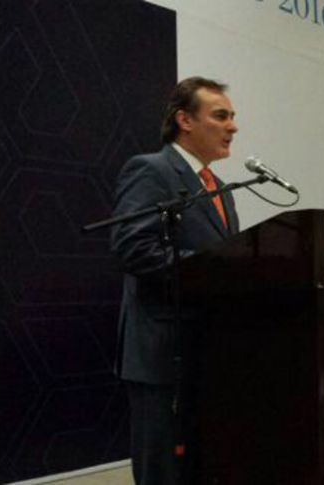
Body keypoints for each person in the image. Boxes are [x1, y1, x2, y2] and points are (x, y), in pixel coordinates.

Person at [110, 76, 240, 485]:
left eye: (232, 117)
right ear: (185, 120)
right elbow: (133, 248)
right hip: (160, 352)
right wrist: (214, 267)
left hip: (206, 351)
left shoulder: (221, 189)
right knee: (163, 472)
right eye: (221, 116)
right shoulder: (151, 170)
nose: (233, 126)